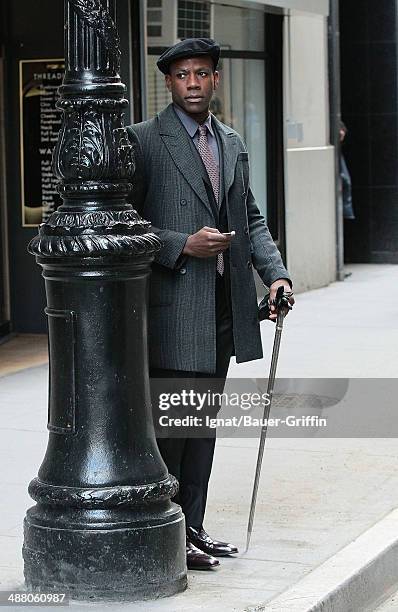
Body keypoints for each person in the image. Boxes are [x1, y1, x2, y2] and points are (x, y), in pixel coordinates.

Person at [127, 38, 294, 570]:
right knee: (172, 429)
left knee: (203, 429)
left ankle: (192, 529)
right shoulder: (144, 141)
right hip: (173, 310)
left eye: (202, 73)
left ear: (216, 80)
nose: (193, 82)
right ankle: (166, 533)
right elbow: (123, 228)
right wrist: (181, 245)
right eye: (182, 75)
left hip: (224, 309)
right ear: (170, 83)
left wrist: (277, 275)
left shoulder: (231, 140)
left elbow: (251, 218)